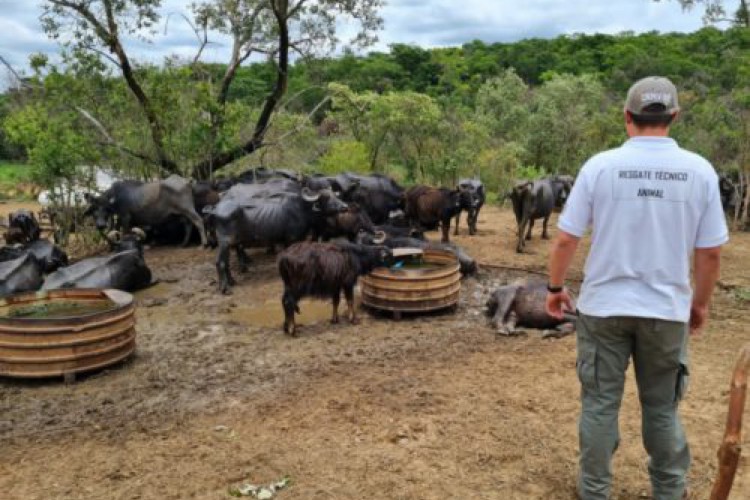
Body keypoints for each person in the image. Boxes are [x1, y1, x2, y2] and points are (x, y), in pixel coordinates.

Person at [545, 76, 728, 500]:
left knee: (599, 404)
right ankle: (669, 491)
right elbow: (710, 254)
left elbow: (565, 239)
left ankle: (594, 491)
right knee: (662, 408)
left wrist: (555, 286)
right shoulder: (699, 170)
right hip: (666, 311)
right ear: (674, 117)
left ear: (627, 117)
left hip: (603, 308)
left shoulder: (600, 166)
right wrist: (698, 304)